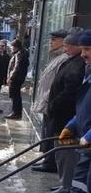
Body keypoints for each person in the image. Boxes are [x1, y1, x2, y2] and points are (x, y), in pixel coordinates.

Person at [38, 29, 91, 193]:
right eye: (83, 49)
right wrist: (71, 125)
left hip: (89, 138)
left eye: (87, 49)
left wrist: (88, 135)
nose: (83, 54)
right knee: (79, 184)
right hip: (87, 141)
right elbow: (85, 108)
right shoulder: (89, 72)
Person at [43, 30, 85, 193]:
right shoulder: (72, 61)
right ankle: (64, 183)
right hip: (62, 116)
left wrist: (53, 105)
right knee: (61, 152)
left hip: (65, 116)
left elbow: (70, 92)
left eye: (68, 46)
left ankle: (67, 186)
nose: (65, 48)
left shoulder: (78, 65)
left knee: (66, 153)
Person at [30, 29, 71, 172]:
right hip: (47, 101)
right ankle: (47, 159)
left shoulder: (64, 59)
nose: (50, 42)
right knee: (47, 131)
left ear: (63, 41)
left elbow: (56, 84)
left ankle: (50, 162)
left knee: (51, 132)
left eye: (54, 40)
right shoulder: (56, 57)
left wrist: (48, 100)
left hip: (51, 101)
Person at [5, 39, 30, 120]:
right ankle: (16, 112)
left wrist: (11, 77)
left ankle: (16, 112)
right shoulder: (21, 53)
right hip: (18, 78)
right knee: (16, 95)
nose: (11, 48)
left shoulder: (19, 54)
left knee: (14, 95)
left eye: (12, 47)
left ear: (15, 47)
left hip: (16, 78)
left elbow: (16, 67)